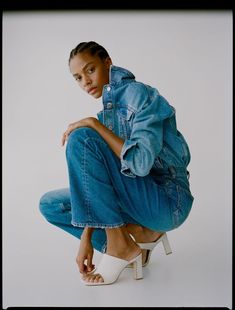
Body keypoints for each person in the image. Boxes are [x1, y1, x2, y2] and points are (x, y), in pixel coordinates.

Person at [39, 41, 194, 286]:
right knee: (51, 205)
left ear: (107, 62)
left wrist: (94, 124)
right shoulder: (105, 117)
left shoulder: (140, 95)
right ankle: (133, 241)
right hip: (137, 198)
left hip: (167, 200)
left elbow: (141, 164)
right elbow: (96, 185)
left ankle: (119, 246)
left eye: (90, 70)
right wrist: (85, 237)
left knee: (81, 137)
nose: (85, 82)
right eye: (78, 78)